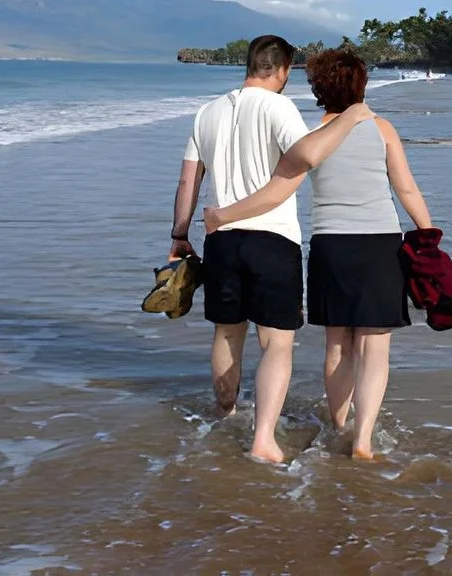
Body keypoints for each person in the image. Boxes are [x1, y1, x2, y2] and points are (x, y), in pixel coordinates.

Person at [204, 50, 435, 461]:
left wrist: (224, 215)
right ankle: (362, 439)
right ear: (361, 87)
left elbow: (275, 192)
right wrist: (427, 234)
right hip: (380, 245)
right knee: (374, 347)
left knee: (337, 346)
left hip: (329, 247)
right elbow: (407, 190)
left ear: (317, 89)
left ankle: (339, 424)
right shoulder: (383, 130)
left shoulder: (310, 140)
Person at [170, 35, 372, 463]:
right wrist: (352, 118)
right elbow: (306, 155)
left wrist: (179, 235)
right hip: (273, 238)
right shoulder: (280, 108)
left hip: (220, 239)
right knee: (276, 344)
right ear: (281, 70)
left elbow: (189, 180)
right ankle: (263, 439)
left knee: (226, 333)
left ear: (249, 64)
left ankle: (226, 415)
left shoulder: (206, 112)